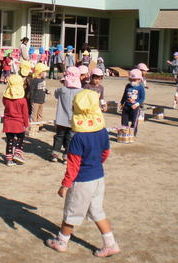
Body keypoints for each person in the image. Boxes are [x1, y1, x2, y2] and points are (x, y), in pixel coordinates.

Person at [46, 90, 120, 258]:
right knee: (97, 211)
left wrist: (65, 184)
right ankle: (110, 243)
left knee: (71, 212)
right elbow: (105, 153)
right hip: (98, 177)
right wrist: (96, 164)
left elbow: (73, 165)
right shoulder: (103, 131)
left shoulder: (78, 137)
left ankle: (62, 242)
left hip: (82, 181)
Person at [51, 66, 82, 163]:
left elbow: (56, 94)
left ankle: (54, 154)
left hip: (61, 119)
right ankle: (66, 156)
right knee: (70, 138)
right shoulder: (81, 91)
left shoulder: (61, 90)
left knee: (59, 136)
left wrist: (63, 84)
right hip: (73, 120)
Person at [2, 74, 30, 166]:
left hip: (8, 122)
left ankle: (9, 159)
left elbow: (4, 104)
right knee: (20, 138)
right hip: (18, 123)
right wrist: (26, 124)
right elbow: (25, 114)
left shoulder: (5, 98)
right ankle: (18, 154)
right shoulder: (22, 101)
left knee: (10, 140)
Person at [119, 69, 145, 137]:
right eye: (131, 79)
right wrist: (122, 103)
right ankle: (125, 132)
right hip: (126, 106)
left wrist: (136, 104)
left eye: (134, 80)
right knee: (124, 120)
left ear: (139, 79)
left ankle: (133, 133)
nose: (132, 81)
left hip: (135, 107)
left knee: (134, 121)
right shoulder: (128, 86)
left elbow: (142, 98)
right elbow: (124, 95)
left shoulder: (140, 88)